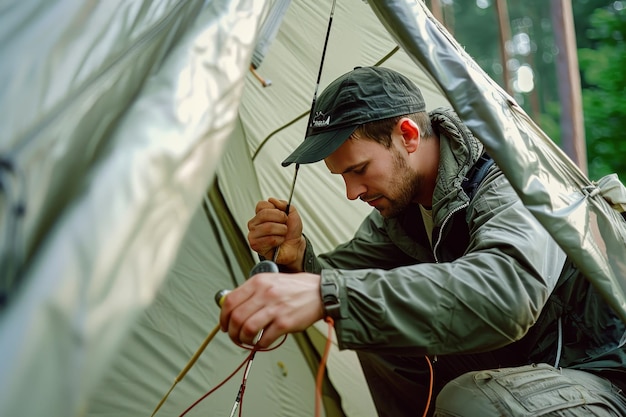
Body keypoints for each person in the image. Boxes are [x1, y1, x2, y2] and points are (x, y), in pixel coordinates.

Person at [219, 66, 626, 416]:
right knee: (377, 326)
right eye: (342, 176)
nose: (352, 192)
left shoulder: (512, 180)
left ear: (408, 135)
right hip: (528, 364)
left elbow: (506, 293)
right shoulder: (404, 211)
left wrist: (329, 295)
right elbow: (345, 280)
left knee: (471, 401)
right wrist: (298, 258)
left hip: (602, 375)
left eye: (359, 169)